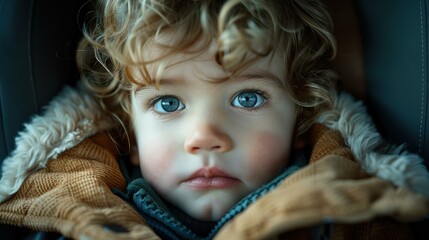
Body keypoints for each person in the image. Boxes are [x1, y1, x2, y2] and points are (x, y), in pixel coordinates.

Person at [0, 0, 428, 239]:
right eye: (168, 103)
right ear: (128, 129)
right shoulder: (70, 217)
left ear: (300, 118)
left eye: (247, 97)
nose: (205, 137)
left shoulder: (351, 217)